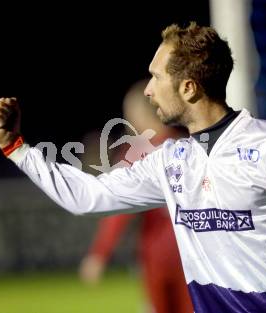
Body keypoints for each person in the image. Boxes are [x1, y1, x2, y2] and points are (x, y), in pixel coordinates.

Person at [0, 22, 266, 313]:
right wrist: (16, 148)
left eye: (157, 77)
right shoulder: (172, 161)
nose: (148, 88)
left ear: (188, 87)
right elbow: (88, 196)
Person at [78, 80, 193, 313]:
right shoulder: (189, 145)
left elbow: (116, 210)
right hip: (196, 250)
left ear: (137, 114)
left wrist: (99, 254)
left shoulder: (137, 151)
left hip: (158, 253)